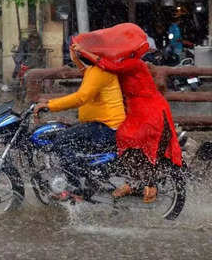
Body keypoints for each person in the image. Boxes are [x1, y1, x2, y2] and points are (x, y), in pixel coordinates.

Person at [70, 23, 183, 204]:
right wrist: (78, 58)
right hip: (137, 108)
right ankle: (133, 181)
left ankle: (148, 183)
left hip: (149, 107)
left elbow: (108, 67)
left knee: (137, 139)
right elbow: (95, 71)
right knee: (124, 141)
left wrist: (85, 51)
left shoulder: (133, 64)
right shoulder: (122, 63)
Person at [34, 46, 126, 199]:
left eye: (81, 51)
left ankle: (75, 188)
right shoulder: (95, 70)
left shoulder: (100, 72)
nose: (79, 53)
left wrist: (50, 105)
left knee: (61, 141)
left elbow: (80, 97)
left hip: (106, 126)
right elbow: (85, 70)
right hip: (98, 123)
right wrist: (75, 58)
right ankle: (87, 179)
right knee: (70, 142)